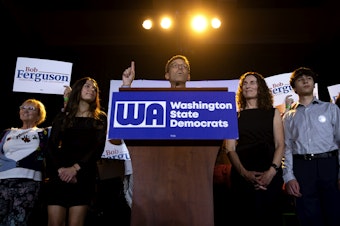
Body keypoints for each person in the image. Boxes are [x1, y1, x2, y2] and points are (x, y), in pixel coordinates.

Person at [222, 71, 285, 226]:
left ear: (260, 87)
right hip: (242, 175)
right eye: (245, 83)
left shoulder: (273, 112)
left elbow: (280, 144)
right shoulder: (234, 116)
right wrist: (244, 174)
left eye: (252, 82)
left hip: (270, 173)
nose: (248, 86)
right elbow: (230, 148)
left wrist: (271, 172)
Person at [45, 77, 107, 226]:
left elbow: (97, 147)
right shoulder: (63, 117)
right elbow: (51, 146)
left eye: (94, 89)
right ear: (78, 89)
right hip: (59, 175)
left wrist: (75, 169)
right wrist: (61, 170)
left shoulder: (100, 118)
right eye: (87, 86)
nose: (91, 90)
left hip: (83, 176)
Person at [282, 67, 340, 226]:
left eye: (309, 78)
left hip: (329, 164)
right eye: (300, 79)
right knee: (308, 216)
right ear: (294, 88)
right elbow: (286, 148)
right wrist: (289, 177)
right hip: (302, 167)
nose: (305, 80)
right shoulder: (288, 117)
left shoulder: (331, 109)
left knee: (334, 213)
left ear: (314, 83)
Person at [0, 99, 50, 226]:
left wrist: (67, 99)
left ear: (39, 115)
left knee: (17, 221)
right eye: (23, 107)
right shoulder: (7, 132)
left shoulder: (44, 133)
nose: (25, 110)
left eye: (31, 108)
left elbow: (65, 120)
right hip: (3, 181)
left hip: (29, 181)